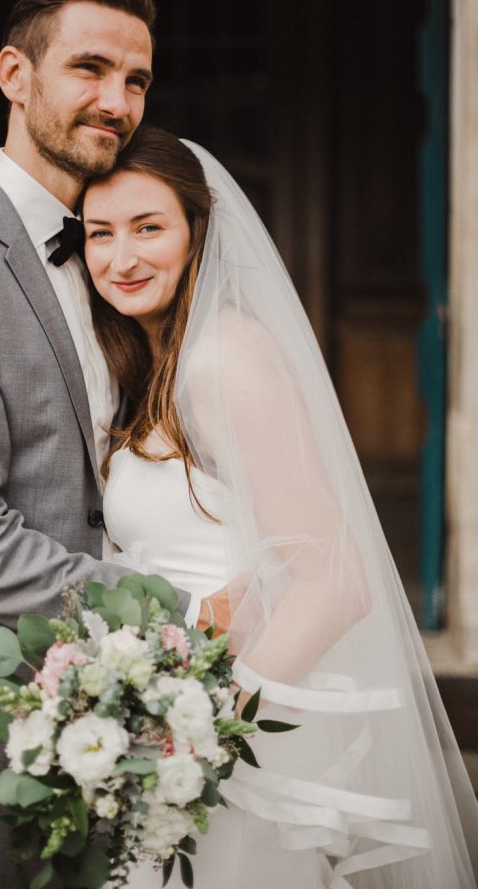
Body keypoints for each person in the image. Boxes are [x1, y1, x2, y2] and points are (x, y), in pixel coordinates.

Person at [0, 0, 226, 889]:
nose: (117, 100)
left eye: (137, 80)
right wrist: (174, 613)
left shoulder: (114, 254)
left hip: (130, 700)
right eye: (90, 68)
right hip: (0, 699)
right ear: (14, 74)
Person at [82, 126, 478, 888]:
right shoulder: (152, 361)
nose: (120, 258)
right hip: (174, 704)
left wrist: (205, 735)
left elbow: (335, 580)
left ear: (197, 233)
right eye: (100, 233)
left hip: (232, 732)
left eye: (147, 227)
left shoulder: (223, 359)